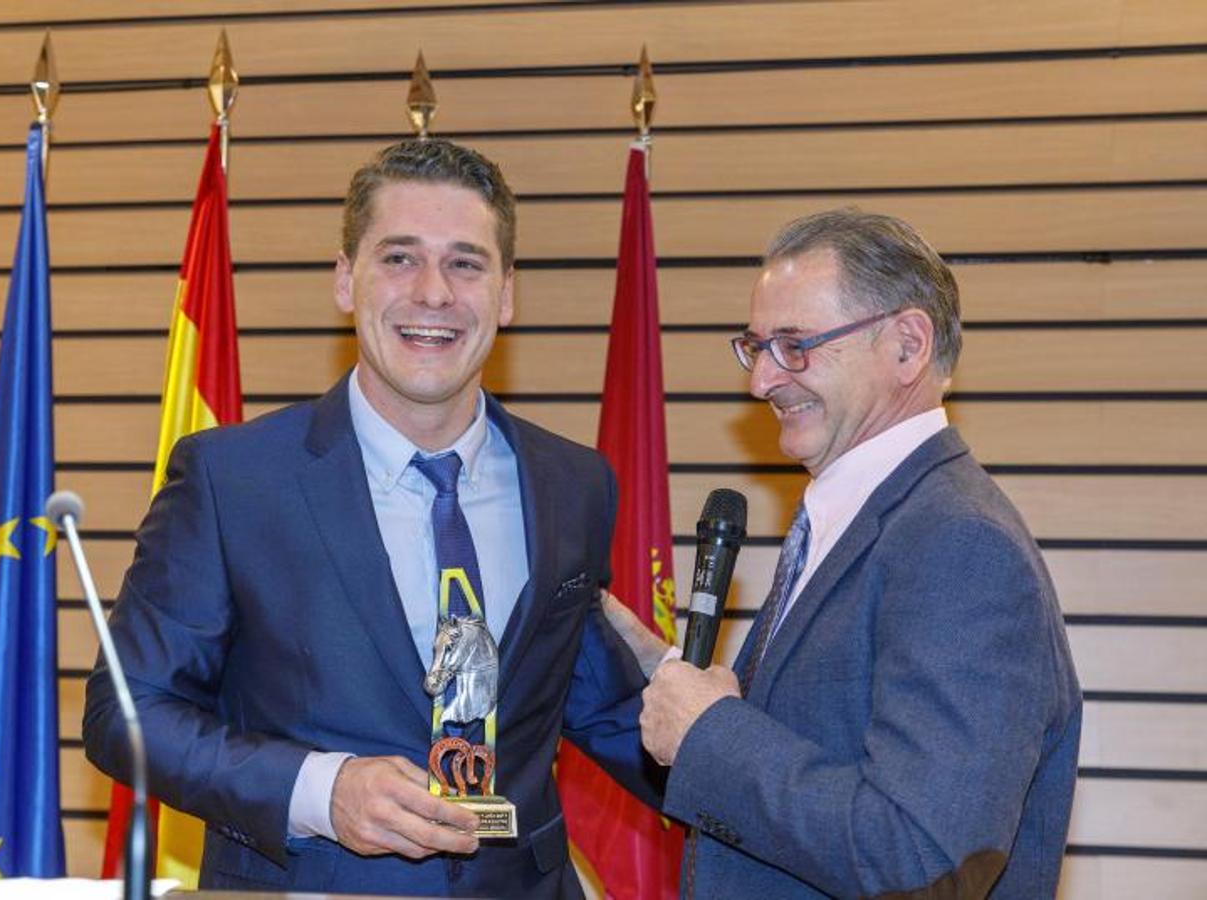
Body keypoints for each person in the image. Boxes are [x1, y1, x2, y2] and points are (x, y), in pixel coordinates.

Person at [83, 139, 660, 897]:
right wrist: (321, 792)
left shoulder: (574, 482)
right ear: (345, 281)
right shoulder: (233, 481)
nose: (433, 293)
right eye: (398, 258)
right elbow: (126, 714)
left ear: (507, 292)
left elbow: (588, 700)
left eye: (465, 262)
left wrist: (739, 756)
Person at [637, 209, 1082, 898]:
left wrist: (709, 734)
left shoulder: (958, 545)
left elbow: (922, 857)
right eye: (755, 346)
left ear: (906, 346)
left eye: (794, 344)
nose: (760, 381)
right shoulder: (861, 525)